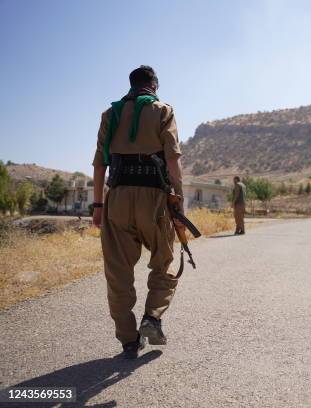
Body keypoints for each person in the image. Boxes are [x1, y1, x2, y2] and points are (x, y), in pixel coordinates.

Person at [91, 66, 184, 359]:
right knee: (164, 261)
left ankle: (129, 341)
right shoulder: (163, 110)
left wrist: (98, 206)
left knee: (117, 274)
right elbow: (172, 161)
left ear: (131, 85)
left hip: (116, 198)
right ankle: (152, 318)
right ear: (154, 85)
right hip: (154, 199)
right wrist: (177, 201)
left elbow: (99, 164)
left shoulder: (110, 114)